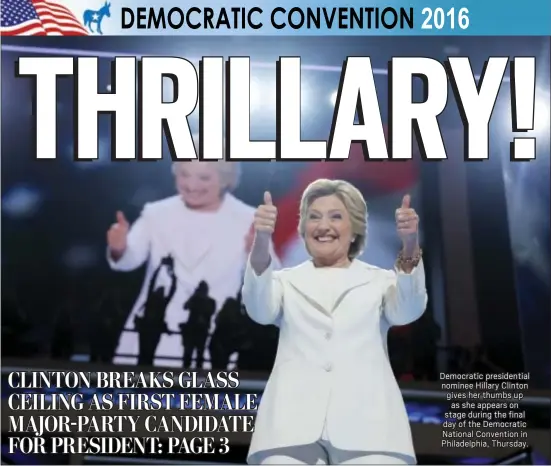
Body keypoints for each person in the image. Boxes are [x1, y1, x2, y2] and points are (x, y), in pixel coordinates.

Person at [243, 179, 427, 465]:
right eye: (314, 217)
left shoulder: (380, 280)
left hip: (369, 426)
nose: (323, 225)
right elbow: (259, 310)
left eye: (335, 216)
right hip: (291, 427)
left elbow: (409, 310)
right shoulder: (285, 281)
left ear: (354, 229)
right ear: (303, 228)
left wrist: (410, 244)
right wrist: (263, 239)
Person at [106, 140, 278, 368]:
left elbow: (272, 280)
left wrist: (255, 255)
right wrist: (119, 248)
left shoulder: (248, 219)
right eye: (184, 175)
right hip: (148, 335)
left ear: (226, 179)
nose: (191, 184)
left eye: (204, 178)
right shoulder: (156, 213)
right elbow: (129, 259)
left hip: (213, 342)